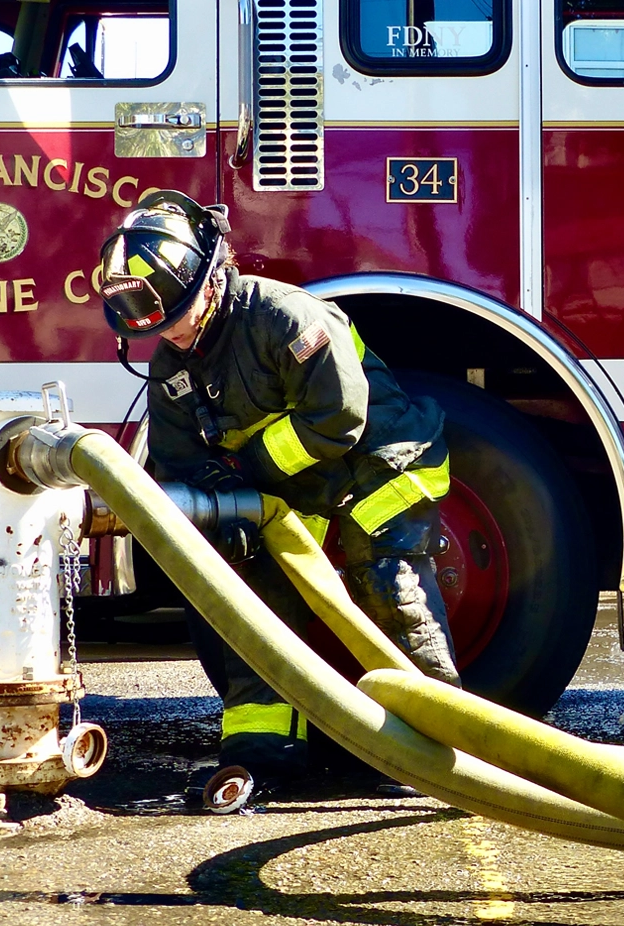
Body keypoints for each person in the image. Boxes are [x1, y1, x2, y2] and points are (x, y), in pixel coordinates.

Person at [97, 190, 460, 788]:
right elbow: (178, 462)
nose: (172, 339)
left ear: (211, 283)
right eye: (158, 329)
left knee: (390, 587)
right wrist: (221, 504)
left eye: (176, 319)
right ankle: (263, 754)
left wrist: (250, 475)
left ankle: (442, 749)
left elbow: (338, 417)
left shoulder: (287, 318)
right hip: (296, 489)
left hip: (380, 465)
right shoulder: (172, 365)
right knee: (257, 601)